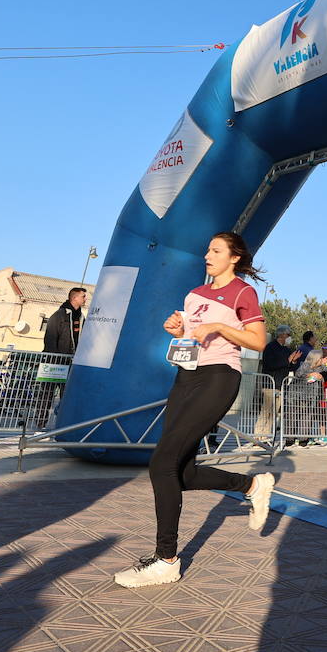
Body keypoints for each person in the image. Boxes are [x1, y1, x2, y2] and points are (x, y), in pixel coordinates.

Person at [114, 232, 275, 588]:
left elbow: (258, 341)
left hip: (219, 377)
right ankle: (252, 485)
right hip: (185, 376)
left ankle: (166, 560)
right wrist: (176, 327)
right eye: (207, 249)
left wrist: (219, 326)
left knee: (161, 463)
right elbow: (188, 335)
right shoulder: (194, 294)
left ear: (234, 257)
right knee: (181, 473)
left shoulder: (242, 292)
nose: (207, 255)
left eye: (216, 250)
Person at [38, 288, 85, 428]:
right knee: (46, 394)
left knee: (67, 395)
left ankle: (62, 425)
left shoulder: (81, 317)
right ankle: (40, 425)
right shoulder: (58, 315)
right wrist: (55, 358)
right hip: (54, 363)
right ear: (75, 298)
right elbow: (50, 338)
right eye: (83, 296)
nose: (85, 299)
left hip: (71, 362)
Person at [256, 325, 298, 440]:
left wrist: (293, 362)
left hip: (281, 384)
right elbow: (270, 364)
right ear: (282, 335)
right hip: (270, 384)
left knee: (274, 413)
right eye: (288, 335)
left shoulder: (286, 350)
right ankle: (258, 434)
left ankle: (266, 435)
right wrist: (287, 360)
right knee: (266, 411)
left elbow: (288, 367)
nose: (289, 337)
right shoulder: (270, 347)